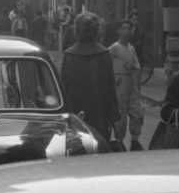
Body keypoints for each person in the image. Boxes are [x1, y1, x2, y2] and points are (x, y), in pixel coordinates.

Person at [59, 12, 120, 147]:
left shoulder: (69, 55)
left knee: (76, 147)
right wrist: (114, 113)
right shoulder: (104, 54)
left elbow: (63, 87)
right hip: (99, 111)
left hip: (75, 113)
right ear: (97, 31)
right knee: (99, 146)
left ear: (76, 30)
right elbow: (110, 87)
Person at [109, 19, 145, 151]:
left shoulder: (132, 48)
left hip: (131, 83)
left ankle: (135, 139)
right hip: (120, 84)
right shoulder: (114, 48)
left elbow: (137, 66)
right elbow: (106, 66)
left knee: (137, 112)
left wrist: (133, 67)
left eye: (128, 29)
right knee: (121, 115)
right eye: (123, 29)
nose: (126, 31)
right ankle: (119, 141)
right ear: (118, 31)